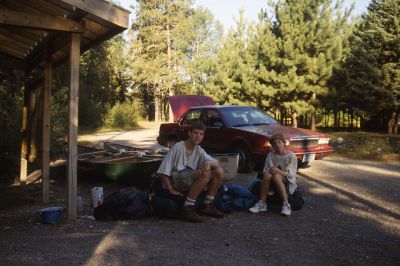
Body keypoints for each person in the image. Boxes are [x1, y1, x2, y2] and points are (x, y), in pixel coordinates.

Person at [157, 120, 225, 222]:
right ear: (189, 133)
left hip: (188, 178)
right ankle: (187, 208)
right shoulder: (178, 147)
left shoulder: (198, 150)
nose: (198, 136)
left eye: (201, 134)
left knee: (219, 171)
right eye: (195, 133)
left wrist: (208, 163)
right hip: (175, 179)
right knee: (204, 174)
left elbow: (216, 163)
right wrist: (170, 189)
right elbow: (162, 171)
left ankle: (207, 204)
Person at [249, 132, 297, 216]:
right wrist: (272, 171)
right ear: (272, 146)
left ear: (284, 143)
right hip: (271, 180)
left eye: (279, 142)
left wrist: (278, 171)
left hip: (287, 181)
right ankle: (262, 203)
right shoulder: (271, 155)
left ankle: (286, 204)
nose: (277, 145)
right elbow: (266, 170)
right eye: (274, 143)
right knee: (268, 175)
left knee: (276, 176)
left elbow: (291, 175)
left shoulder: (291, 156)